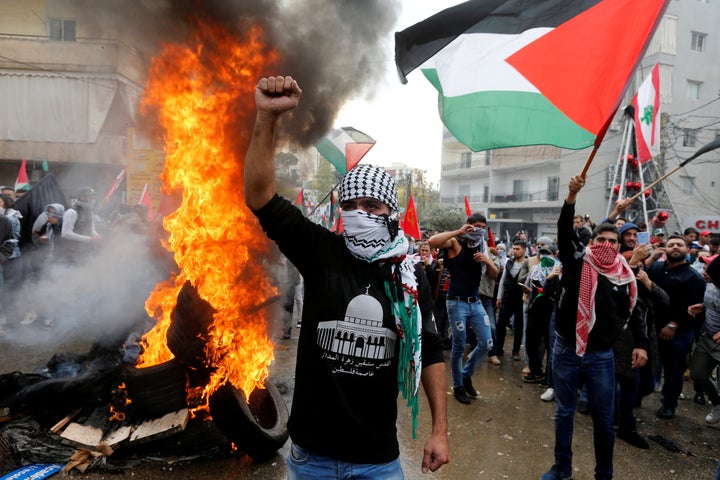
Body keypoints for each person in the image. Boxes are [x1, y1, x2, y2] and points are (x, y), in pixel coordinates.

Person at [244, 75, 449, 478]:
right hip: (311, 459)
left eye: (370, 204)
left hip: (378, 462)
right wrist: (266, 117)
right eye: (350, 204)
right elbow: (260, 195)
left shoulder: (409, 274)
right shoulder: (323, 252)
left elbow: (431, 348)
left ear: (389, 211)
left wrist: (440, 429)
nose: (358, 212)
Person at [541, 175, 647, 480]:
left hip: (601, 356)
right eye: (601, 240)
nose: (607, 245)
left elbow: (634, 310)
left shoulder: (625, 274)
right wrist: (572, 196)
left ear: (619, 246)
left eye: (613, 241)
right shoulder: (577, 261)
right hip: (566, 350)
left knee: (603, 418)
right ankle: (561, 469)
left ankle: (605, 474)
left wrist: (640, 343)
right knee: (564, 412)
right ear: (592, 242)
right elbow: (564, 230)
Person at [429, 214, 497, 404]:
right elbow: (432, 242)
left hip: (475, 303)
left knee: (486, 342)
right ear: (468, 226)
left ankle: (466, 375)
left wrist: (488, 261)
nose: (479, 230)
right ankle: (458, 386)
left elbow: (494, 275)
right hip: (456, 302)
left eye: (483, 226)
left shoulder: (483, 248)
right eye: (476, 226)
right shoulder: (455, 243)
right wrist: (458, 231)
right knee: (458, 346)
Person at [647, 235, 706, 419]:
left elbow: (692, 307)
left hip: (679, 332)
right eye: (671, 244)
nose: (675, 247)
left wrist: (673, 325)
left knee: (673, 369)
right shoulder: (656, 268)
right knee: (648, 364)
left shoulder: (694, 277)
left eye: (679, 245)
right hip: (653, 327)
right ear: (665, 249)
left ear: (687, 250)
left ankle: (669, 404)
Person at [689, 255, 720, 424]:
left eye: (710, 272)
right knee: (698, 374)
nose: (705, 273)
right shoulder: (707, 284)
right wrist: (703, 306)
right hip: (708, 338)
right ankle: (717, 404)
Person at [495, 240, 529, 361]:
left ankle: (516, 351)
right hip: (508, 298)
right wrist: (499, 297)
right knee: (501, 324)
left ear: (524, 250)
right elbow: (503, 280)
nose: (514, 251)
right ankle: (499, 348)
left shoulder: (529, 263)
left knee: (518, 326)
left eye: (517, 249)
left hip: (521, 298)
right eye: (513, 249)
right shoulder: (509, 262)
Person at [61, 186, 101, 263]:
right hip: (72, 252)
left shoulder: (89, 211)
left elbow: (91, 228)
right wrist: (89, 239)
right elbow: (65, 233)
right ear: (82, 198)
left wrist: (96, 235)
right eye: (90, 197)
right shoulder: (71, 212)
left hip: (85, 250)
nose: (93, 200)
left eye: (93, 197)